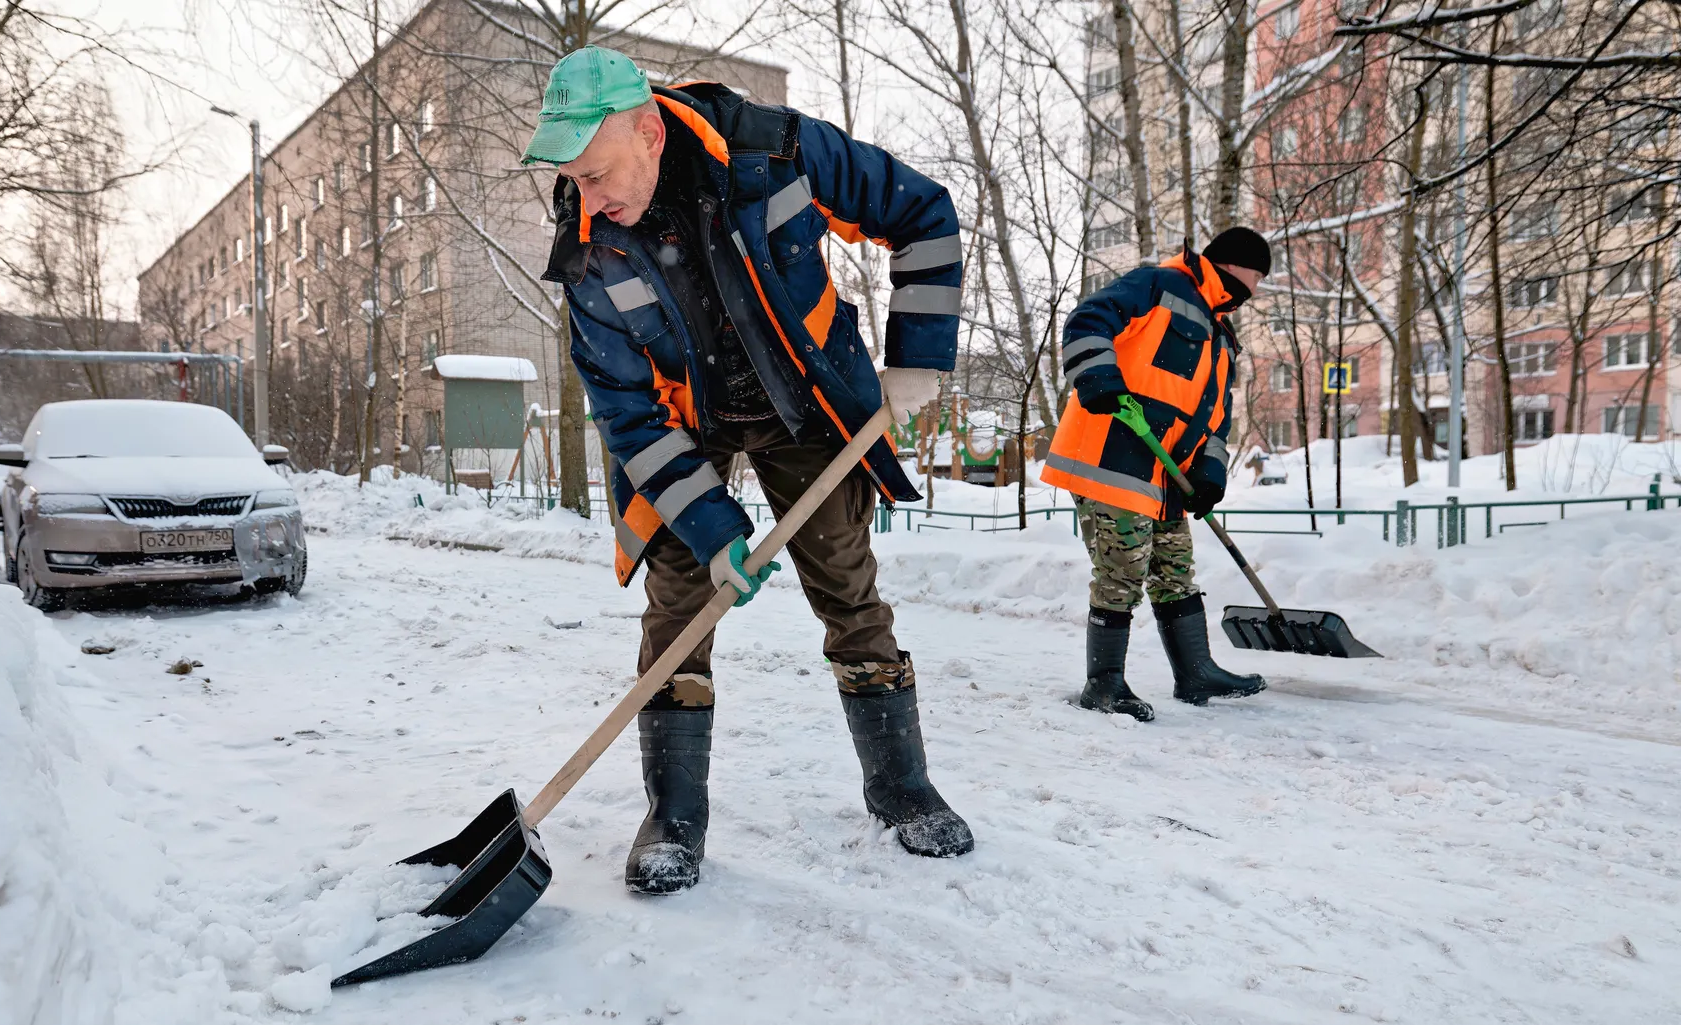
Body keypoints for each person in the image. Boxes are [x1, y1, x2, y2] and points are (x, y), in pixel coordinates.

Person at [522, 46, 974, 894]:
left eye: (597, 173)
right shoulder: (589, 257)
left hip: (808, 404)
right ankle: (674, 815)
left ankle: (901, 787)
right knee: (680, 601)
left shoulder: (774, 152)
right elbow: (631, 417)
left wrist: (918, 356)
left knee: (847, 584)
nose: (591, 199)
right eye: (575, 181)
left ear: (650, 132)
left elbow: (922, 209)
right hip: (688, 429)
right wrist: (715, 529)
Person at [1041, 228, 1273, 723]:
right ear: (1238, 266)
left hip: (1166, 475)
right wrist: (1097, 375)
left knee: (1174, 568)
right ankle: (1103, 686)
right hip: (1114, 456)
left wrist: (1210, 474)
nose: (1258, 287)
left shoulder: (1221, 334)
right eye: (1259, 275)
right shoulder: (1159, 285)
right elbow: (1088, 320)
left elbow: (1216, 418)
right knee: (1121, 570)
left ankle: (1196, 671)